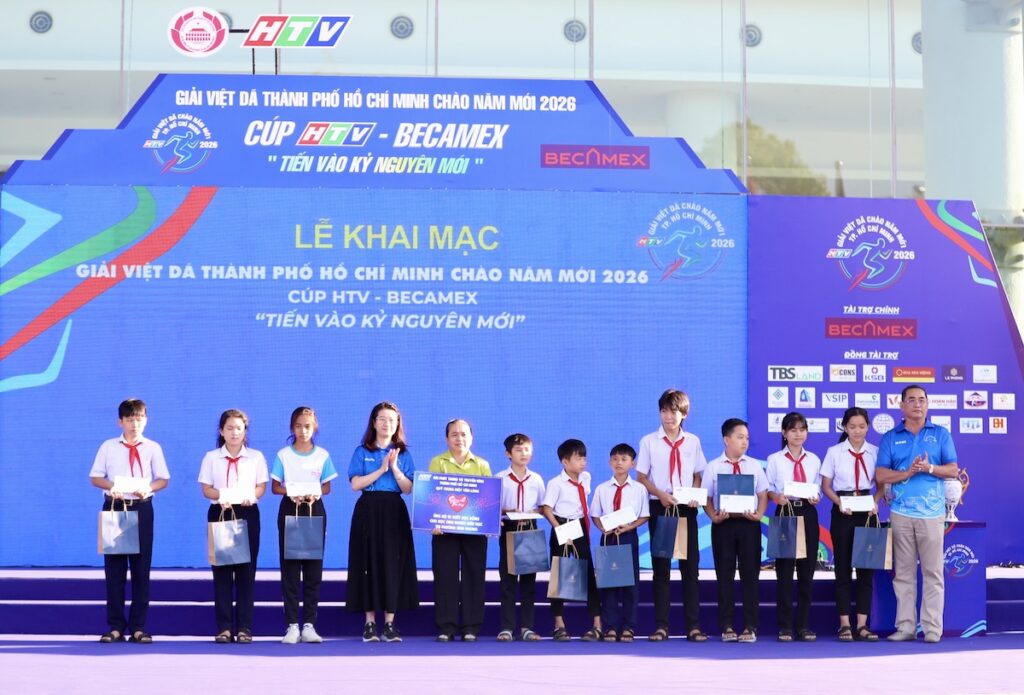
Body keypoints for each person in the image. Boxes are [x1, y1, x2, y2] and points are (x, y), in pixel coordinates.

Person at [876, 385, 959, 643]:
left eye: (921, 400)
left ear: (928, 404)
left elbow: (953, 470)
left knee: (933, 573)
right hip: (900, 513)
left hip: (932, 514)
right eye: (911, 400)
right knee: (904, 574)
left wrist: (929, 468)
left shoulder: (940, 434)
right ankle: (906, 628)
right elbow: (881, 475)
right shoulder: (891, 437)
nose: (917, 404)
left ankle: (933, 630)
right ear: (901, 405)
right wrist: (907, 473)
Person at [89, 398, 170, 644]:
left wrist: (149, 488)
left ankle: (138, 627)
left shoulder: (153, 447)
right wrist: (111, 486)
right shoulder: (108, 446)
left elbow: (163, 479)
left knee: (141, 568)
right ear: (120, 422)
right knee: (114, 569)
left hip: (141, 508)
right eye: (130, 419)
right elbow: (95, 477)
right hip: (115, 507)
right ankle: (115, 627)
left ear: (146, 420)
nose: (135, 424)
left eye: (139, 419)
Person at [636, 388, 708, 642]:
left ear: (684, 414)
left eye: (673, 411)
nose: (668, 416)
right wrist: (661, 495)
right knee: (662, 569)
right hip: (661, 507)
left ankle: (693, 626)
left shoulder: (693, 442)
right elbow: (641, 477)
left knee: (690, 569)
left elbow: (698, 474)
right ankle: (661, 626)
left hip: (686, 508)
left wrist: (695, 494)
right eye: (664, 411)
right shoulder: (649, 441)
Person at [346, 402, 418, 643]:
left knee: (392, 563)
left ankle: (389, 623)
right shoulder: (362, 452)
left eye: (392, 420)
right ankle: (369, 623)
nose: (387, 424)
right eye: (383, 419)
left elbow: (408, 489)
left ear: (398, 424)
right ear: (374, 423)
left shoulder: (403, 454)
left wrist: (395, 468)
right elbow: (355, 484)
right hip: (368, 509)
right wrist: (381, 469)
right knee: (367, 561)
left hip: (394, 510)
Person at [198, 409, 268, 644]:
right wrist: (221, 496)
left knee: (247, 571)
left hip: (247, 512)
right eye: (229, 428)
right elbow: (206, 489)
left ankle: (245, 627)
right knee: (222, 572)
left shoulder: (256, 457)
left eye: (239, 428)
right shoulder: (211, 457)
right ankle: (225, 627)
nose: (234, 433)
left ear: (245, 431)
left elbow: (261, 486)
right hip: (221, 512)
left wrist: (252, 496)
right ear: (221, 431)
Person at [270, 406, 337, 644]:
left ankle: (309, 624)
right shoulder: (283, 455)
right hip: (290, 510)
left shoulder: (323, 455)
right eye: (298, 426)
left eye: (307, 426)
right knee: (290, 569)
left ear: (315, 428)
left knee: (313, 569)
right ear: (292, 428)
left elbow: (327, 487)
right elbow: (275, 487)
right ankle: (291, 625)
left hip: (314, 510)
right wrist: (292, 492)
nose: (303, 431)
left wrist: (314, 493)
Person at [702, 418, 768, 643]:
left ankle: (750, 626)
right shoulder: (713, 466)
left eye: (747, 438)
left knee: (750, 575)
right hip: (724, 525)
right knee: (725, 575)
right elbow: (706, 497)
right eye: (740, 437)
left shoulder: (754, 465)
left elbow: (763, 494)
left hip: (749, 525)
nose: (745, 442)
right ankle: (727, 625)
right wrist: (713, 516)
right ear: (726, 439)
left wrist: (759, 514)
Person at [820, 406, 883, 642]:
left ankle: (863, 625)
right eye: (853, 426)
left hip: (866, 511)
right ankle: (845, 624)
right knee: (843, 568)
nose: (857, 431)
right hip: (843, 511)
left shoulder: (875, 452)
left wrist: (875, 501)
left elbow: (882, 485)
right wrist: (839, 503)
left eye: (862, 426)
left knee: (866, 569)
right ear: (845, 428)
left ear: (868, 427)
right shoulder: (834, 452)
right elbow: (826, 486)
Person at [429, 418, 492, 642]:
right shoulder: (438, 462)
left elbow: (488, 499)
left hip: (474, 532)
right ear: (447, 439)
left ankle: (471, 627)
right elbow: (432, 495)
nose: (459, 438)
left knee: (474, 576)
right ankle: (446, 626)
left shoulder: (482, 465)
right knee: (445, 575)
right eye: (454, 434)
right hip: (444, 531)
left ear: (471, 438)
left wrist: (488, 523)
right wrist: (433, 522)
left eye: (464, 434)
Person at [765, 411, 821, 642]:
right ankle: (785, 626)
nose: (798, 434)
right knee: (785, 572)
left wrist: (816, 497)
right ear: (784, 433)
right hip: (785, 512)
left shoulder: (814, 459)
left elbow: (817, 488)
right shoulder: (775, 459)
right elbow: (768, 489)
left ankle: (803, 625)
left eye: (802, 429)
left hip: (807, 513)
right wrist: (776, 497)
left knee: (807, 572)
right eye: (793, 430)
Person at [541, 438, 603, 641]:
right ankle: (559, 624)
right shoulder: (555, 483)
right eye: (578, 458)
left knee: (588, 573)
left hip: (579, 527)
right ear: (565, 462)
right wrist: (559, 529)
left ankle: (597, 624)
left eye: (584, 458)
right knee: (559, 575)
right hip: (561, 526)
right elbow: (547, 509)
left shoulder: (586, 477)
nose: (583, 462)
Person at [590, 443, 649, 642]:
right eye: (615, 459)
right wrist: (602, 528)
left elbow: (644, 515)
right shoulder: (602, 488)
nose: (619, 463)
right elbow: (595, 514)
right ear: (609, 462)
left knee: (630, 583)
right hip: (608, 537)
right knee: (608, 583)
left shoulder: (639, 489)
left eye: (624, 459)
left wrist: (630, 527)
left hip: (627, 536)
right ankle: (610, 626)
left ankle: (629, 626)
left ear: (633, 464)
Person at [496, 433, 546, 642]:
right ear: (508, 454)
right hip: (509, 528)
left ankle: (527, 627)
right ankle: (507, 628)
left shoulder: (536, 479)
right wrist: (507, 511)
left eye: (527, 449)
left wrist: (535, 511)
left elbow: (543, 506)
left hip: (530, 529)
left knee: (528, 582)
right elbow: (493, 507)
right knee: (508, 581)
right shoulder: (500, 478)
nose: (523, 453)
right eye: (518, 450)